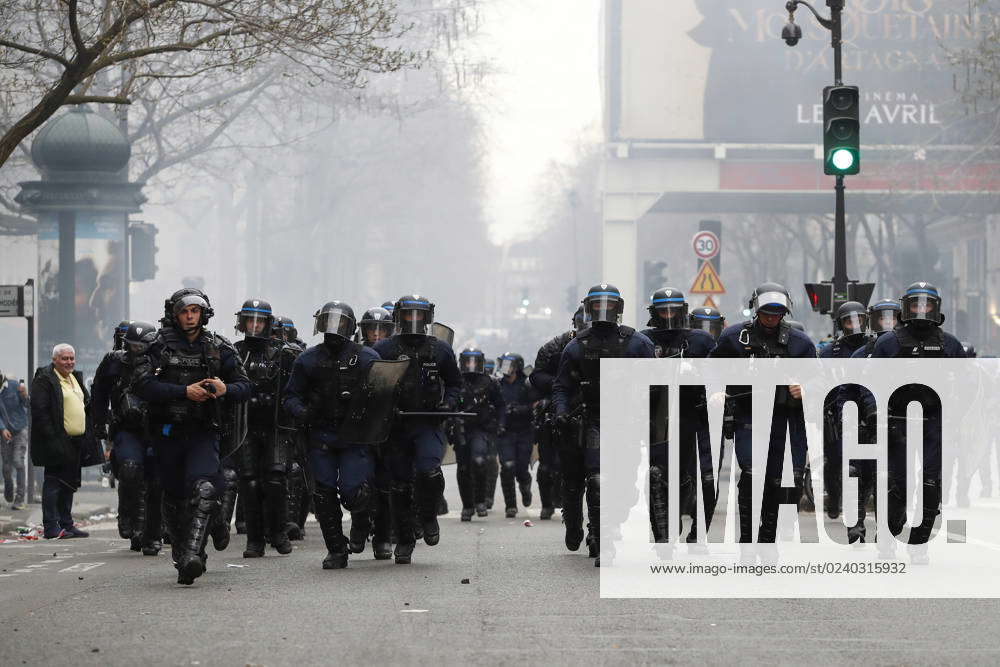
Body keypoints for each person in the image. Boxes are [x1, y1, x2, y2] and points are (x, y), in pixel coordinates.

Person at [132, 288, 251, 585]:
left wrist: (225, 389)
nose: (190, 316)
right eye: (185, 311)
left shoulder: (218, 347)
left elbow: (245, 386)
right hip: (166, 433)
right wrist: (183, 392)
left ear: (203, 314)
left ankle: (193, 557)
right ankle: (182, 554)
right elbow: (141, 385)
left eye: (195, 311)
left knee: (205, 489)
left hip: (202, 432)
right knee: (173, 498)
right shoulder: (155, 345)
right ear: (174, 314)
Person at [708, 282, 817, 552]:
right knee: (752, 471)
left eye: (776, 314)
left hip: (782, 418)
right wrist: (717, 390)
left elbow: (819, 375)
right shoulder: (734, 338)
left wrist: (805, 387)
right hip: (748, 415)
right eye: (766, 313)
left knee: (776, 479)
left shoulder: (800, 342)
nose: (771, 318)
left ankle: (768, 540)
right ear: (756, 310)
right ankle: (747, 540)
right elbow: (712, 368)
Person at [553, 284, 655, 566]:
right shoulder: (577, 345)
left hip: (628, 422)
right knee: (598, 479)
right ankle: (602, 538)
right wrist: (561, 411)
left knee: (625, 485)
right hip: (593, 420)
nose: (603, 311)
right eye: (597, 305)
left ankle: (612, 523)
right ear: (588, 308)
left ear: (618, 309)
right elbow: (561, 386)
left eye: (609, 305)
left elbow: (656, 383)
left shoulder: (637, 343)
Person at [868, 282, 965, 564]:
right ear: (905, 307)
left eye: (927, 305)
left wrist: (959, 417)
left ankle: (919, 543)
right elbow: (869, 382)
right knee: (899, 483)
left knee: (932, 483)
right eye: (915, 304)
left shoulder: (950, 345)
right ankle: (889, 534)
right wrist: (875, 412)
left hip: (934, 421)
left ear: (936, 308)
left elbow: (967, 384)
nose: (921, 309)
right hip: (898, 421)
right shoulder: (888, 343)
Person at [283, 301, 380, 569]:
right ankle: (337, 549)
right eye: (329, 321)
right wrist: (301, 411)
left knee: (352, 490)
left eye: (340, 323)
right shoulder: (308, 359)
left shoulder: (366, 358)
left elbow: (382, 394)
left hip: (354, 436)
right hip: (321, 434)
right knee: (323, 493)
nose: (334, 329)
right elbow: (291, 396)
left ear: (350, 327)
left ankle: (362, 517)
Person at [372, 294, 462, 564]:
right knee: (398, 485)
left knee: (429, 471)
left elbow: (455, 384)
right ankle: (405, 540)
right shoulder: (384, 349)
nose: (413, 320)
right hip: (397, 426)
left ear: (426, 317)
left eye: (418, 315)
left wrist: (449, 404)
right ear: (400, 317)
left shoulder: (440, 349)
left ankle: (428, 514)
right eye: (408, 314)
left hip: (428, 422)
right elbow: (374, 385)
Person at [641, 288, 715, 546]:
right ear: (655, 313)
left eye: (674, 310)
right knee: (658, 475)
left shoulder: (701, 340)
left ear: (682, 311)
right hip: (659, 417)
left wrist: (695, 375)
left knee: (704, 477)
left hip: (695, 415)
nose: (669, 315)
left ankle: (698, 529)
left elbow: (718, 375)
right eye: (663, 310)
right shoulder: (644, 340)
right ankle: (664, 532)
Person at [92, 320, 163, 555]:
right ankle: (128, 516)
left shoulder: (164, 361)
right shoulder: (114, 362)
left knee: (156, 481)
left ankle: (150, 533)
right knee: (130, 469)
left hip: (158, 428)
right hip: (127, 428)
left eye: (140, 347)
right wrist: (98, 422)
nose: (136, 351)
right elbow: (99, 391)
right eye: (132, 346)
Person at [233, 299, 297, 558]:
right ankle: (255, 540)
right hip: (246, 425)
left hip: (275, 425)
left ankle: (279, 533)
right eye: (251, 320)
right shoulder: (234, 351)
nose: (256, 325)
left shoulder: (284, 353)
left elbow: (296, 388)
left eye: (260, 320)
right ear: (243, 322)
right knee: (249, 482)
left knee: (275, 479)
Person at [30, 344, 97, 539]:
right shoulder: (45, 379)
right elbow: (40, 412)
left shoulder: (75, 378)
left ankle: (66, 524)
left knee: (69, 483)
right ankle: (51, 526)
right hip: (56, 440)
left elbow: (86, 405)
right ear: (54, 360)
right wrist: (52, 438)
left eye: (71, 358)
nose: (69, 362)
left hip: (76, 441)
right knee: (53, 483)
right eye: (64, 358)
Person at [529, 307, 585, 520]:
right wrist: (560, 383)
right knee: (547, 465)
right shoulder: (557, 345)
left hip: (589, 408)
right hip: (557, 409)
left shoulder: (608, 344)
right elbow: (536, 375)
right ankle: (547, 503)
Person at [455, 348, 504, 520]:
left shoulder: (489, 382)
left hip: (481, 428)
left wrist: (499, 424)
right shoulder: (455, 380)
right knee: (463, 468)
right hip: (460, 428)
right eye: (468, 361)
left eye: (474, 361)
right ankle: (467, 505)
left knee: (479, 461)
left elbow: (500, 405)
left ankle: (481, 501)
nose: (471, 365)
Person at [496, 352, 537, 518]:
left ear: (517, 367)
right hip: (505, 432)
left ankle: (525, 485)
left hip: (524, 432)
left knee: (521, 468)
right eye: (503, 364)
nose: (505, 368)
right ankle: (510, 505)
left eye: (509, 365)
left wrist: (520, 409)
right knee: (507, 467)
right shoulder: (498, 385)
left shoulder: (526, 384)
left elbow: (535, 405)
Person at [0, 370, 30, 511]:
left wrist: (24, 395)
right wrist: (2, 428)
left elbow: (27, 404)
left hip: (20, 428)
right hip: (5, 431)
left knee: (18, 461)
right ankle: (9, 487)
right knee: (6, 467)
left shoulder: (13, 386)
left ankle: (20, 499)